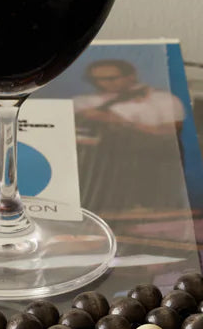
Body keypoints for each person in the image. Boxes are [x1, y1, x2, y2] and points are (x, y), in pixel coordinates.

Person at [73, 59, 188, 214]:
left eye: (111, 78)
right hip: (95, 161)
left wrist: (120, 122)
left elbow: (171, 133)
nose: (103, 83)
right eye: (96, 79)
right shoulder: (83, 101)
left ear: (131, 76)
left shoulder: (162, 100)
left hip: (146, 159)